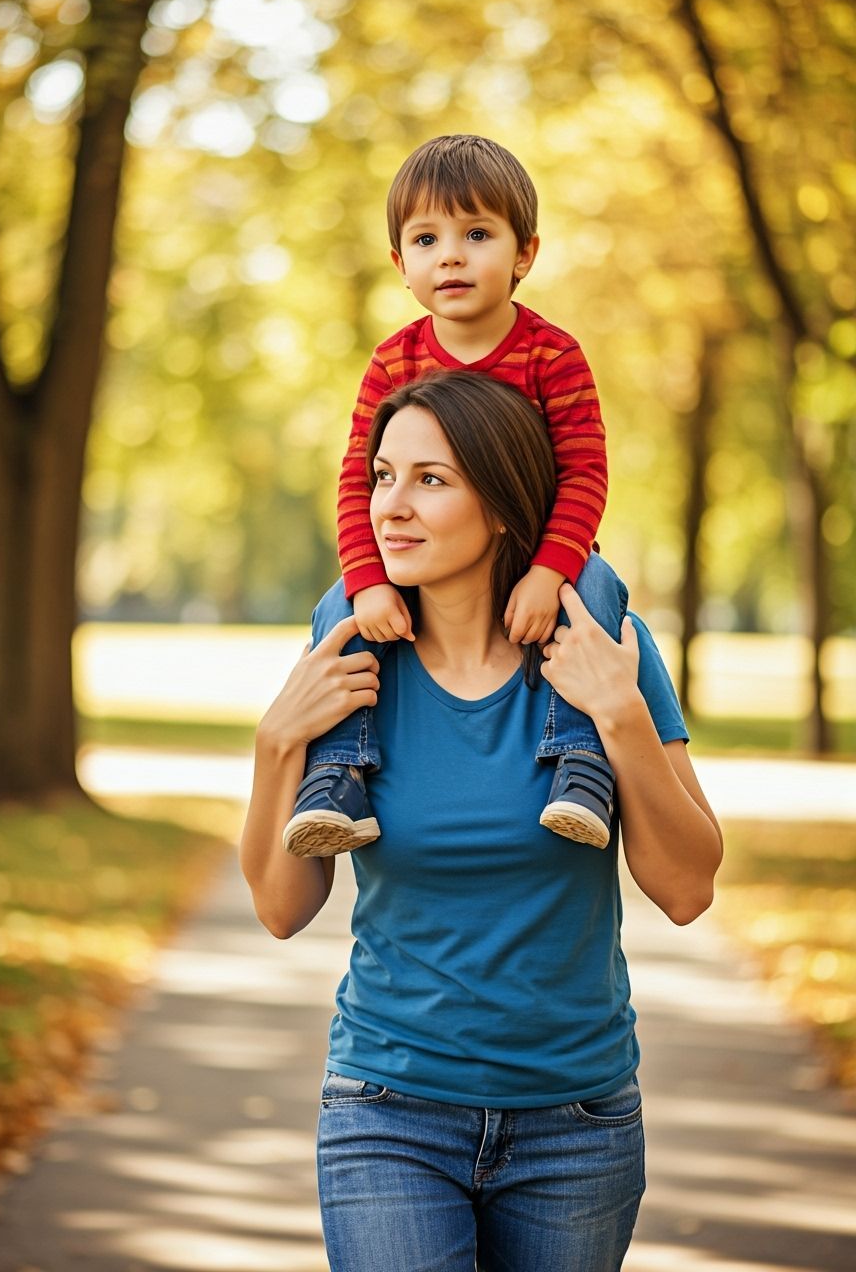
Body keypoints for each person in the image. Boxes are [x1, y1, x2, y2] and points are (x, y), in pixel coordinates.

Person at [240, 370, 723, 1272]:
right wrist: (277, 743)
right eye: (384, 477)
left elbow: (689, 888)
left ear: (504, 503)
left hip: (577, 1127)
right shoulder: (350, 661)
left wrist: (620, 718)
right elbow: (280, 908)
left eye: (431, 479)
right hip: (387, 1110)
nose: (391, 506)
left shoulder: (601, 648)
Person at [282, 133, 623, 860]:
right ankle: (339, 773)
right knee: (336, 607)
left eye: (477, 234)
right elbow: (356, 478)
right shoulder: (393, 359)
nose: (453, 255)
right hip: (429, 566)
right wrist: (370, 580)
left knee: (597, 588)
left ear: (524, 253)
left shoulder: (550, 354)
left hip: (538, 558)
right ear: (401, 264)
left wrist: (548, 571)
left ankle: (581, 763)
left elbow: (586, 471)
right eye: (428, 238)